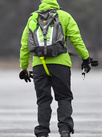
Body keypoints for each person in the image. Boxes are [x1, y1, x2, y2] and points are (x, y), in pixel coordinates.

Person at [19, 0, 92, 137]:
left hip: (39, 65)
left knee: (43, 100)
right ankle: (64, 130)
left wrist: (24, 67)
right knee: (64, 97)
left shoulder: (33, 18)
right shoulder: (64, 16)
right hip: (61, 64)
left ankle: (42, 132)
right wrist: (86, 58)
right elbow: (76, 40)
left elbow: (24, 45)